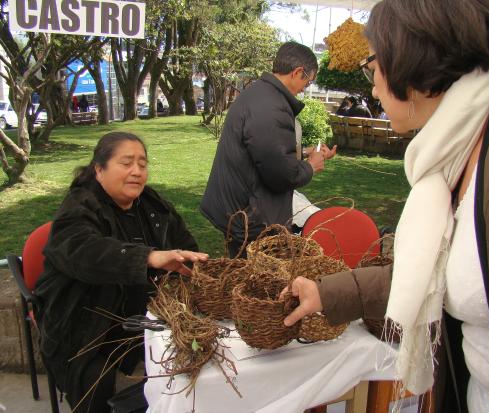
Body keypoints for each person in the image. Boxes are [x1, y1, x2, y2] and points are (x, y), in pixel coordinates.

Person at [283, 1, 489, 412]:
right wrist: (325, 293)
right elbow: (432, 270)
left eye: (373, 67)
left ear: (414, 58)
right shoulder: (457, 145)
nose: (371, 86)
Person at [34, 132, 209, 412]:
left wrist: (195, 268)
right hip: (86, 327)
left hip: (148, 317)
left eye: (142, 164)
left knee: (198, 362)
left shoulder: (152, 206)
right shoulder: (79, 208)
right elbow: (85, 250)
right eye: (126, 163)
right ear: (99, 169)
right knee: (96, 385)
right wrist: (149, 257)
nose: (137, 172)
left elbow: (185, 247)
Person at [200, 42, 337, 257]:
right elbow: (280, 174)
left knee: (242, 275)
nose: (305, 89)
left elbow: (261, 150)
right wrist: (310, 167)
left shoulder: (259, 93)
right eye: (308, 81)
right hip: (248, 216)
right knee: (255, 281)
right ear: (298, 72)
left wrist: (302, 153)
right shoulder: (272, 106)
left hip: (237, 208)